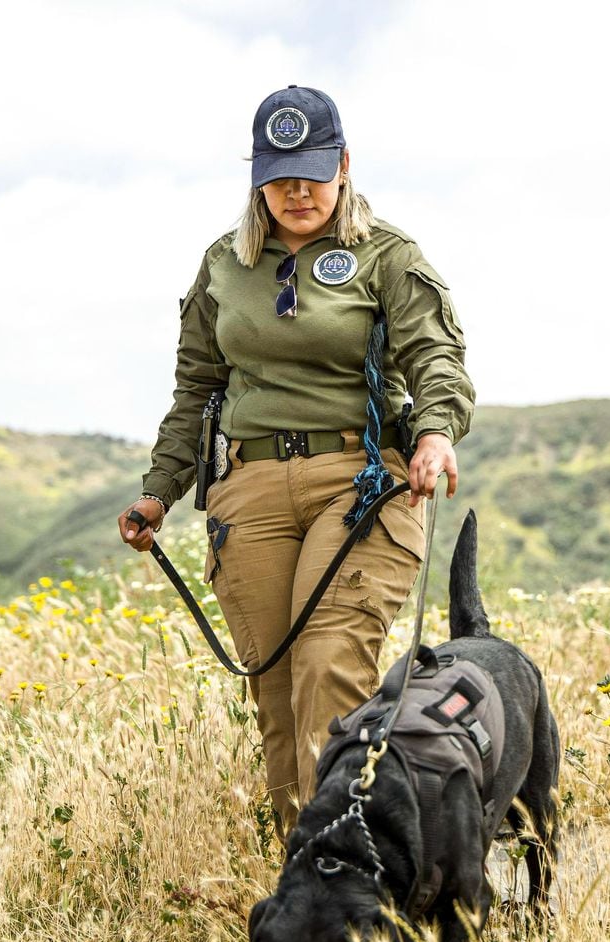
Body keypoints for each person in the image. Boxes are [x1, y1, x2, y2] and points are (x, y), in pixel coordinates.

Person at [118, 85, 474, 838]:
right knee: (276, 692)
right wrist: (159, 493)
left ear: (343, 165)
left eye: (313, 171)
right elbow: (195, 389)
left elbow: (436, 357)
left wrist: (437, 433)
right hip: (248, 491)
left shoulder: (387, 255)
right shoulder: (224, 264)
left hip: (361, 482)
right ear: (258, 179)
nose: (298, 190)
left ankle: (349, 865)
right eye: (280, 175)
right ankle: (303, 870)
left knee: (329, 667)